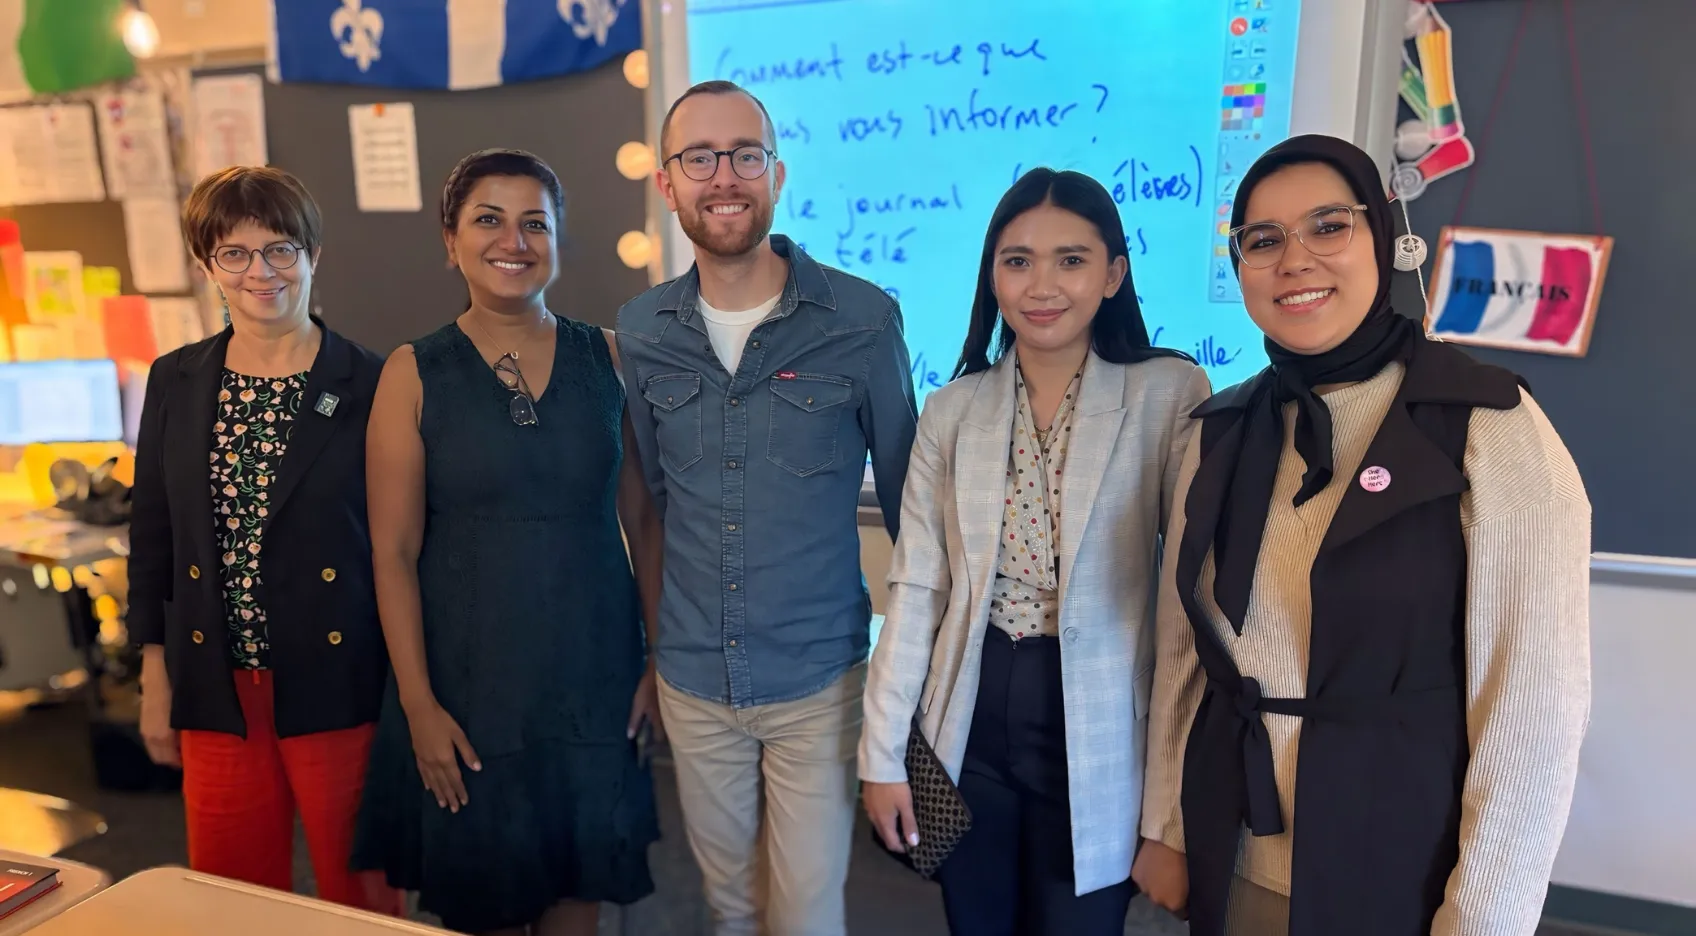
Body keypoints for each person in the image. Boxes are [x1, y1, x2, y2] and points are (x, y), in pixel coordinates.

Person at [1131, 135, 1592, 936]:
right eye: (1263, 240)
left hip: (1399, 869)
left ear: (1381, 236)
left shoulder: (1489, 424)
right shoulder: (1220, 430)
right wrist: (1167, 826)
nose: (1294, 260)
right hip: (1231, 850)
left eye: (1328, 226)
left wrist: (1482, 920)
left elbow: (1532, 712)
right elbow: (1187, 653)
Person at [858, 168, 1209, 935]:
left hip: (1098, 723)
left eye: (1071, 260)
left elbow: (1185, 617)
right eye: (1017, 261)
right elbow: (916, 591)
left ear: (1113, 274)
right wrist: (880, 758)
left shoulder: (1169, 393)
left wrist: (1169, 818)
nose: (1041, 285)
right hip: (971, 715)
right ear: (993, 275)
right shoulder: (954, 409)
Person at [615, 79, 917, 936]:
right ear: (668, 183)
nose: (724, 177)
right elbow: (652, 507)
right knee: (730, 909)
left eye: (745, 155)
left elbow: (912, 509)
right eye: (699, 158)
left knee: (806, 916)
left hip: (817, 679)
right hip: (693, 676)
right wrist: (651, 651)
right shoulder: (640, 330)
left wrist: (913, 678)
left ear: (777, 174)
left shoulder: (863, 320)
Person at [350, 149, 663, 936]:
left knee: (577, 897)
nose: (513, 241)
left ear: (558, 240)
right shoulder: (413, 372)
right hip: (467, 691)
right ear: (450, 240)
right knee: (481, 903)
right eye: (488, 219)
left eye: (535, 223)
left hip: (592, 679)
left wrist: (658, 662)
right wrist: (418, 705)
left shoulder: (611, 357)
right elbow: (391, 554)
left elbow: (645, 522)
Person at [128, 166, 402, 914]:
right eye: (235, 253)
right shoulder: (176, 380)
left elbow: (401, 545)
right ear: (207, 265)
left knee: (360, 893)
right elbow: (153, 538)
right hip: (215, 679)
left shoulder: (372, 381)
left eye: (281, 248)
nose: (261, 271)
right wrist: (155, 680)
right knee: (231, 897)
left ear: (314, 255)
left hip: (340, 676)